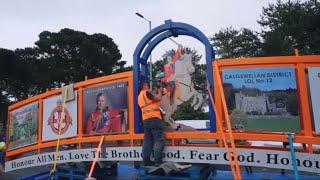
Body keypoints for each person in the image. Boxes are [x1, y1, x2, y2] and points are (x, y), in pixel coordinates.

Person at [138, 81, 165, 166]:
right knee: (159, 140)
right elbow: (158, 98)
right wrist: (160, 91)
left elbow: (151, 100)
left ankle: (146, 161)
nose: (149, 86)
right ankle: (158, 162)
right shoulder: (146, 92)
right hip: (154, 118)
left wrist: (157, 91)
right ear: (144, 86)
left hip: (146, 120)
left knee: (147, 141)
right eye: (147, 85)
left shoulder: (139, 96)